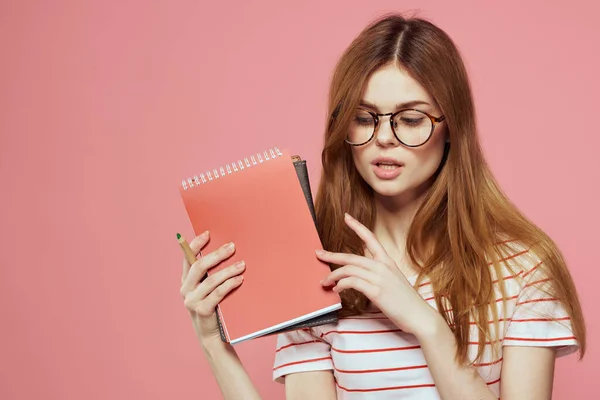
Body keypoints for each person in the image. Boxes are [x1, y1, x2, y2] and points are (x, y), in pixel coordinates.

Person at [178, 13, 586, 399]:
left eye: (410, 119)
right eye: (365, 117)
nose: (384, 137)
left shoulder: (524, 268)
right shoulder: (318, 273)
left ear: (452, 129)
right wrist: (214, 344)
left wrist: (426, 324)